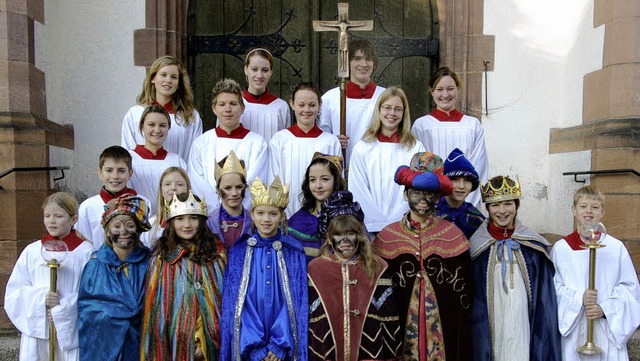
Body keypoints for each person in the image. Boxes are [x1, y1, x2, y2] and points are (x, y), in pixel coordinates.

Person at [374, 152, 474, 360]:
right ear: (405, 194)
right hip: (401, 332)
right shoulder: (386, 237)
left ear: (437, 197)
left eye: (429, 193)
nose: (422, 199)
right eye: (415, 192)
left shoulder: (454, 236)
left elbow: (464, 302)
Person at [469, 176, 561, 361]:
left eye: (508, 204)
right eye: (495, 205)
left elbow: (545, 302)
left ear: (517, 206)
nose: (502, 211)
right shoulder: (475, 247)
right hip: (491, 327)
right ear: (487, 208)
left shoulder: (533, 246)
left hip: (524, 325)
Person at [220, 176, 308, 361]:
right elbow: (238, 304)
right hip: (249, 343)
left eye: (273, 214)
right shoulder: (239, 252)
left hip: (283, 344)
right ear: (252, 214)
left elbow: (296, 302)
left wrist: (279, 345)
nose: (266, 219)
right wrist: (255, 347)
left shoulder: (293, 252)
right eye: (260, 213)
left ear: (282, 216)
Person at [308, 191, 402, 360]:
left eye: (350, 233)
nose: (345, 240)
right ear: (329, 238)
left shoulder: (378, 266)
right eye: (338, 234)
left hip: (370, 350)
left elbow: (389, 317)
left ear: (359, 236)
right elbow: (311, 319)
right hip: (326, 350)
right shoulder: (315, 269)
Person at [552, 185, 640, 361]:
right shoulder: (561, 249)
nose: (588, 212)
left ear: (602, 212)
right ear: (574, 210)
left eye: (595, 207)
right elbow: (554, 288)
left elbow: (630, 289)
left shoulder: (615, 248)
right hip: (574, 328)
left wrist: (605, 308)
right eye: (583, 206)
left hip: (605, 328)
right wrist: (578, 299)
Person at [5, 192, 93, 361]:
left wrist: (63, 309)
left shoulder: (86, 252)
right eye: (47, 216)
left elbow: (91, 293)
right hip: (40, 328)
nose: (51, 221)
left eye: (58, 216)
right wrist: (41, 299)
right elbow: (15, 291)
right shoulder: (33, 251)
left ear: (73, 219)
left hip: (71, 329)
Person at [141, 191, 226, 360]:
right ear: (171, 222)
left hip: (209, 345)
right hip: (172, 345)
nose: (187, 225)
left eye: (193, 218)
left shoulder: (216, 256)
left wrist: (203, 341)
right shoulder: (160, 258)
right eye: (180, 219)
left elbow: (221, 305)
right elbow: (156, 312)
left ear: (201, 221)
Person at [78, 195, 151, 361]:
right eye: (117, 226)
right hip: (106, 345)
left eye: (130, 226)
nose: (123, 231)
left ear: (138, 229)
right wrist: (117, 316)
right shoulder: (95, 265)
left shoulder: (150, 262)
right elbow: (88, 308)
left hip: (142, 343)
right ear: (107, 230)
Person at [349, 86, 425, 233]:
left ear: (404, 113)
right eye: (387, 107)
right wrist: (375, 221)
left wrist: (399, 219)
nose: (392, 113)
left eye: (398, 109)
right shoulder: (363, 147)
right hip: (370, 227)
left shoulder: (416, 148)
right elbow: (358, 188)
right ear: (379, 110)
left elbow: (418, 188)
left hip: (405, 225)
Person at [411, 66, 488, 207]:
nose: (445, 95)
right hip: (432, 204)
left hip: (466, 201)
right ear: (431, 91)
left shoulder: (472, 125)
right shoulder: (421, 125)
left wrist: (465, 206)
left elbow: (479, 167)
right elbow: (420, 169)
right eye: (439, 89)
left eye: (450, 88)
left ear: (457, 89)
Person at [188, 78, 268, 211]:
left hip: (245, 216)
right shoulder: (201, 143)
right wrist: (217, 211)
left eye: (233, 103)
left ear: (242, 108)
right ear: (214, 108)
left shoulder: (257, 143)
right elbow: (197, 182)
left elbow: (256, 182)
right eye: (222, 104)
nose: (228, 109)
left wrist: (237, 211)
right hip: (210, 217)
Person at [269, 82, 341, 216]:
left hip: (323, 215)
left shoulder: (331, 142)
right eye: (301, 105)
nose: (306, 110)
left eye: (312, 105)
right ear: (292, 104)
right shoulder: (280, 140)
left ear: (320, 105)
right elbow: (273, 179)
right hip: (287, 214)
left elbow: (337, 182)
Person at [318, 39, 386, 165]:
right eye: (357, 58)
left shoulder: (384, 96)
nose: (363, 64)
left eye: (368, 59)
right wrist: (333, 141)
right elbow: (321, 137)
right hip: (340, 166)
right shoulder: (330, 98)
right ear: (347, 63)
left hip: (375, 165)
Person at [121, 55, 202, 160]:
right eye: (163, 75)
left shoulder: (190, 117)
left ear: (179, 84)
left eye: (174, 77)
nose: (168, 80)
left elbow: (195, 157)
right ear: (153, 78)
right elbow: (127, 154)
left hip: (178, 173)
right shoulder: (135, 114)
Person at [76, 145, 141, 249]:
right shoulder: (87, 207)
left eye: (121, 171)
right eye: (109, 170)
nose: (115, 176)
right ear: (100, 173)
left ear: (130, 173)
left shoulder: (142, 203)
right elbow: (84, 245)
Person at [127, 105, 187, 214]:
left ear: (169, 127)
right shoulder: (129, 160)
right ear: (142, 126)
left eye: (162, 125)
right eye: (151, 124)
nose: (157, 130)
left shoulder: (177, 161)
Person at [287, 152, 346, 262]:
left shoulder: (349, 217)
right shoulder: (297, 221)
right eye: (312, 180)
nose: (318, 185)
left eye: (324, 179)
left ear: (336, 181)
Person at [239, 48, 291, 142]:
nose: (259, 75)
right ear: (246, 70)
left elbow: (286, 143)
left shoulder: (281, 106)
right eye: (254, 69)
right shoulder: (233, 104)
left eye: (265, 70)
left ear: (271, 72)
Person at [206, 151, 252, 249]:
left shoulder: (254, 221)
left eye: (239, 187)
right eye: (227, 188)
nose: (234, 193)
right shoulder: (208, 223)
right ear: (218, 190)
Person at [435, 147, 485, 239]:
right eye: (455, 179)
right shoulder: (428, 213)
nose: (461, 186)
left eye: (467, 180)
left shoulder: (476, 218)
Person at [141, 166, 191, 247]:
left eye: (180, 184)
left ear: (188, 189)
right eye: (167, 184)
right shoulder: (152, 223)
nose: (173, 188)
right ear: (161, 189)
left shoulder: (195, 221)